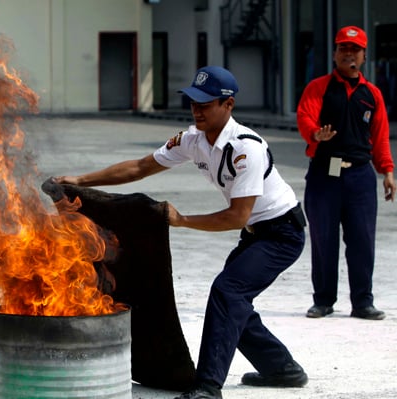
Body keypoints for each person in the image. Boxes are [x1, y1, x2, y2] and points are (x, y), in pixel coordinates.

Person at [54, 66, 308, 399]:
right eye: (192, 102)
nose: (196, 109)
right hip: (255, 232)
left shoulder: (247, 149)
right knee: (234, 303)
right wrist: (81, 181)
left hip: (282, 232)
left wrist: (182, 219)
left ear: (228, 105)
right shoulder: (192, 139)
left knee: (227, 292)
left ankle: (207, 387)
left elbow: (236, 215)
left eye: (206, 103)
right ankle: (282, 369)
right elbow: (140, 167)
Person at [297, 26, 395, 321]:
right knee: (323, 238)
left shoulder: (372, 94)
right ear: (335, 53)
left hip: (361, 178)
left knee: (362, 240)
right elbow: (305, 116)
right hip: (324, 175)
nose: (347, 53)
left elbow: (380, 137)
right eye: (343, 48)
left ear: (364, 55)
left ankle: (363, 302)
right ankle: (323, 300)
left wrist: (388, 171)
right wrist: (316, 134)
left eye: (354, 49)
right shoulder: (318, 87)